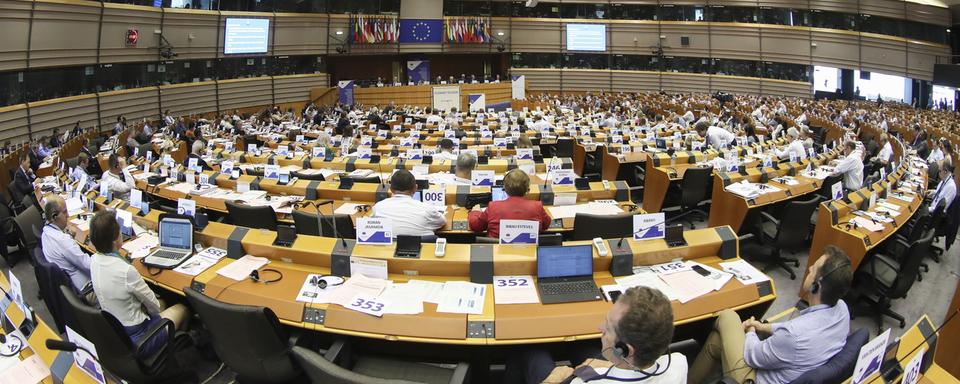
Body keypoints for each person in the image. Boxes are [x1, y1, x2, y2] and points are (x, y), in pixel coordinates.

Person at [689, 245, 853, 384]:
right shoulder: (842, 309)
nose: (809, 268)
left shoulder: (792, 336)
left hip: (754, 377)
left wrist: (751, 331)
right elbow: (793, 330)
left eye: (814, 268)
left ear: (816, 286)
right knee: (716, 341)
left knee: (728, 316)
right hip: (797, 365)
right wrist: (763, 327)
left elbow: (753, 355)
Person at [505, 286, 687, 383]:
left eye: (607, 327)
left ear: (624, 350)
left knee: (529, 350)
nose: (600, 328)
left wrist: (562, 376)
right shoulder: (679, 363)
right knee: (580, 344)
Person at [89, 210, 189, 356]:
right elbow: (154, 307)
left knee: (163, 303)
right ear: (115, 240)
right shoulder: (126, 271)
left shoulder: (94, 260)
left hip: (116, 332)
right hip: (140, 339)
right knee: (182, 308)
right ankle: (171, 354)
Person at [41, 196, 97, 304]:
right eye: (65, 212)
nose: (68, 216)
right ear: (54, 216)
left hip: (70, 289)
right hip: (86, 290)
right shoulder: (62, 240)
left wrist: (70, 235)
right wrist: (103, 252)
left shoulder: (46, 233)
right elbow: (89, 264)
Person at [469, 170, 550, 238]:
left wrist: (475, 212)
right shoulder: (537, 206)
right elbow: (546, 224)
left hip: (498, 253)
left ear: (505, 189)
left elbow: (475, 226)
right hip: (527, 253)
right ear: (527, 189)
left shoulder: (493, 206)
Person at [371, 169, 446, 238]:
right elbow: (442, 222)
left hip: (388, 251)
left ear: (391, 189)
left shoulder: (378, 207)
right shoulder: (427, 209)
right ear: (415, 188)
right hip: (422, 251)